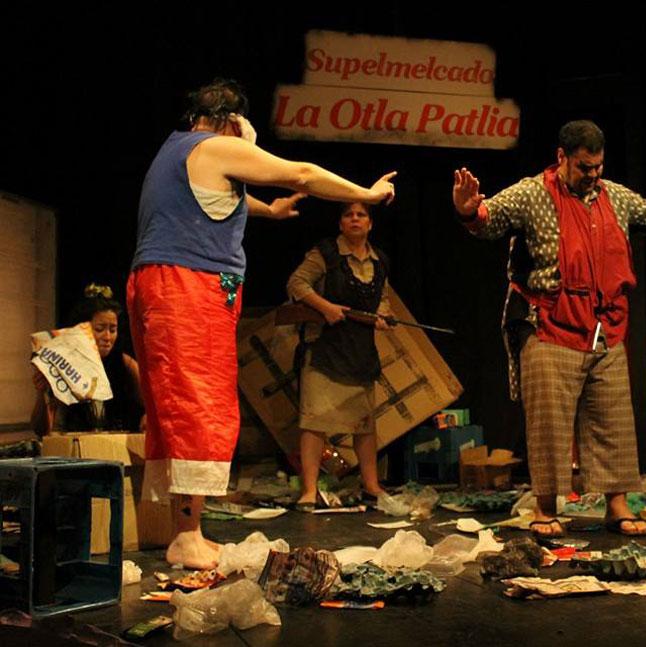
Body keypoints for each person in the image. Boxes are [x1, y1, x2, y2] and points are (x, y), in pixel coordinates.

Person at [128, 79, 395, 568]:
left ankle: (186, 530)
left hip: (163, 282)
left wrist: (268, 211)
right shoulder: (215, 145)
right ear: (232, 121)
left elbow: (214, 197)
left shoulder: (176, 151)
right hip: (188, 285)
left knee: (177, 402)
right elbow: (302, 173)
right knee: (199, 401)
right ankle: (186, 534)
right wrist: (368, 194)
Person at [452, 120, 646, 538]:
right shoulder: (532, 193)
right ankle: (545, 508)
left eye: (598, 166)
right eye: (584, 167)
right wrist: (468, 210)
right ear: (562, 158)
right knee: (550, 424)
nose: (593, 174)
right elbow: (489, 219)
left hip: (605, 326)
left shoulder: (614, 197)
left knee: (613, 419)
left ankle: (616, 505)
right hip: (550, 323)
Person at [287, 202, 391, 510]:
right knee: (314, 421)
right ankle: (309, 490)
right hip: (325, 348)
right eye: (349, 215)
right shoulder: (326, 253)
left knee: (364, 424)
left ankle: (371, 486)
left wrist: (382, 315)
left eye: (361, 215)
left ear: (370, 223)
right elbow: (296, 283)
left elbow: (383, 296)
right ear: (341, 223)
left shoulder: (379, 260)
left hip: (359, 349)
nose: (355, 219)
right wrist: (326, 307)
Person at [31, 284, 144, 435]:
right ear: (81, 330)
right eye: (99, 329)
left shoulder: (124, 363)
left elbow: (152, 404)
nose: (108, 337)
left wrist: (147, 417)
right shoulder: (63, 363)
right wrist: (41, 394)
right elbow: (41, 430)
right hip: (75, 445)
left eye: (112, 329)